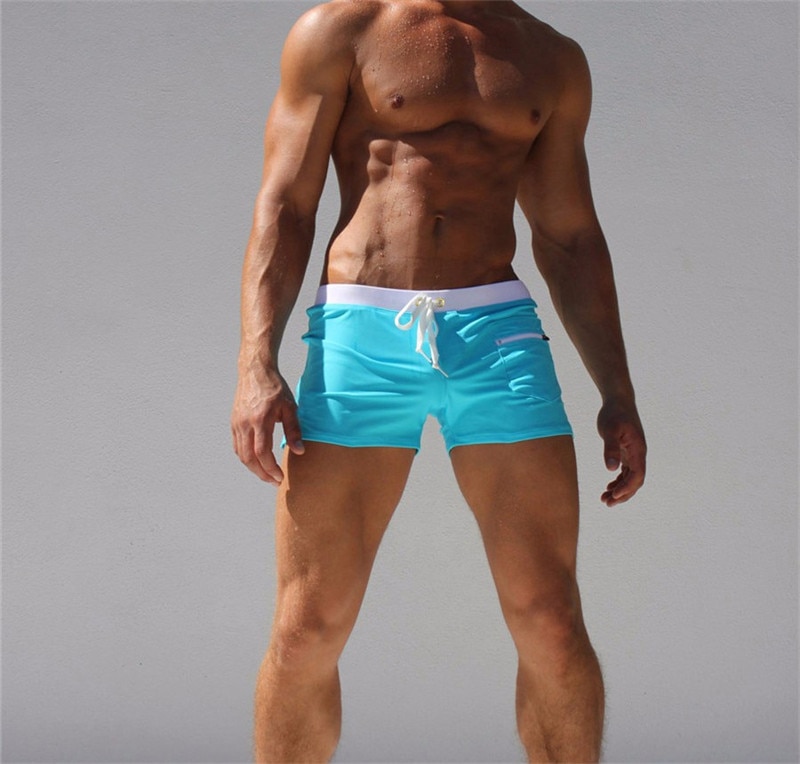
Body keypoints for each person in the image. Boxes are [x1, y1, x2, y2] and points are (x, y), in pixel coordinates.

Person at [231, 1, 646, 761]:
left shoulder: (550, 56)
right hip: (361, 334)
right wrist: (256, 363)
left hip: (497, 334)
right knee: (306, 629)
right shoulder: (342, 30)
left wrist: (617, 389)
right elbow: (286, 202)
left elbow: (569, 234)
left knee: (552, 621)